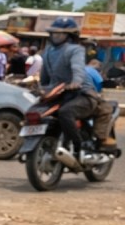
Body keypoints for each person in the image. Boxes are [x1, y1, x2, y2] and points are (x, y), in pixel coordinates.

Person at [39, 17, 113, 151]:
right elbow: (44, 78)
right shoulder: (48, 51)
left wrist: (76, 82)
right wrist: (41, 88)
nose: (56, 36)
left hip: (81, 93)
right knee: (39, 111)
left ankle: (78, 145)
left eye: (60, 33)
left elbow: (77, 69)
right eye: (54, 33)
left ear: (70, 35)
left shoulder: (75, 49)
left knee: (65, 112)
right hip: (59, 94)